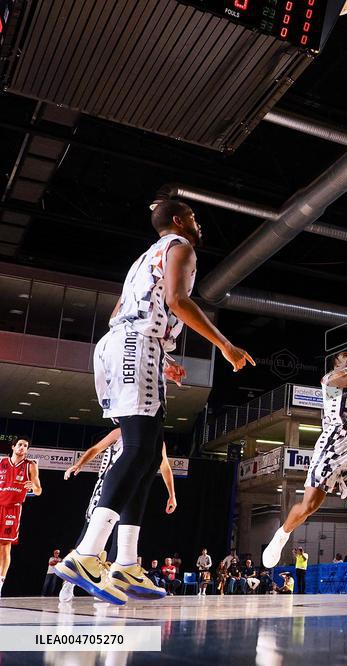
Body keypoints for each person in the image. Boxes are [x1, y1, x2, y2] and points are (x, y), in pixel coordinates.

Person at [56, 199, 253, 605]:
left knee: (146, 454)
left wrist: (161, 358)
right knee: (141, 448)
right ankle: (87, 554)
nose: (198, 224)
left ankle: (126, 562)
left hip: (130, 345)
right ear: (179, 222)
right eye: (194, 217)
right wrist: (227, 346)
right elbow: (179, 301)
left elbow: (119, 312)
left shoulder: (144, 259)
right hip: (135, 345)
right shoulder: (180, 246)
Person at [263, 351, 347, 594]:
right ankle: (282, 535)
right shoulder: (332, 379)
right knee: (310, 504)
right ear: (335, 363)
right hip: (333, 446)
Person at [59, 428, 176, 602]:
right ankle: (71, 579)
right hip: (108, 487)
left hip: (131, 490)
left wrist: (172, 494)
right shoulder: (121, 431)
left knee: (119, 538)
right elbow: (96, 448)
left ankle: (111, 576)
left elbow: (164, 465)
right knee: (91, 531)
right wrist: (80, 463)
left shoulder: (157, 440)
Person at [0, 437, 42, 597]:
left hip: (13, 508)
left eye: (25, 446)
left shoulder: (30, 465)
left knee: (5, 545)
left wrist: (34, 486)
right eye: (20, 444)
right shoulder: (2, 462)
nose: (22, 447)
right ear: (13, 447)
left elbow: (39, 491)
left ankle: (1, 581)